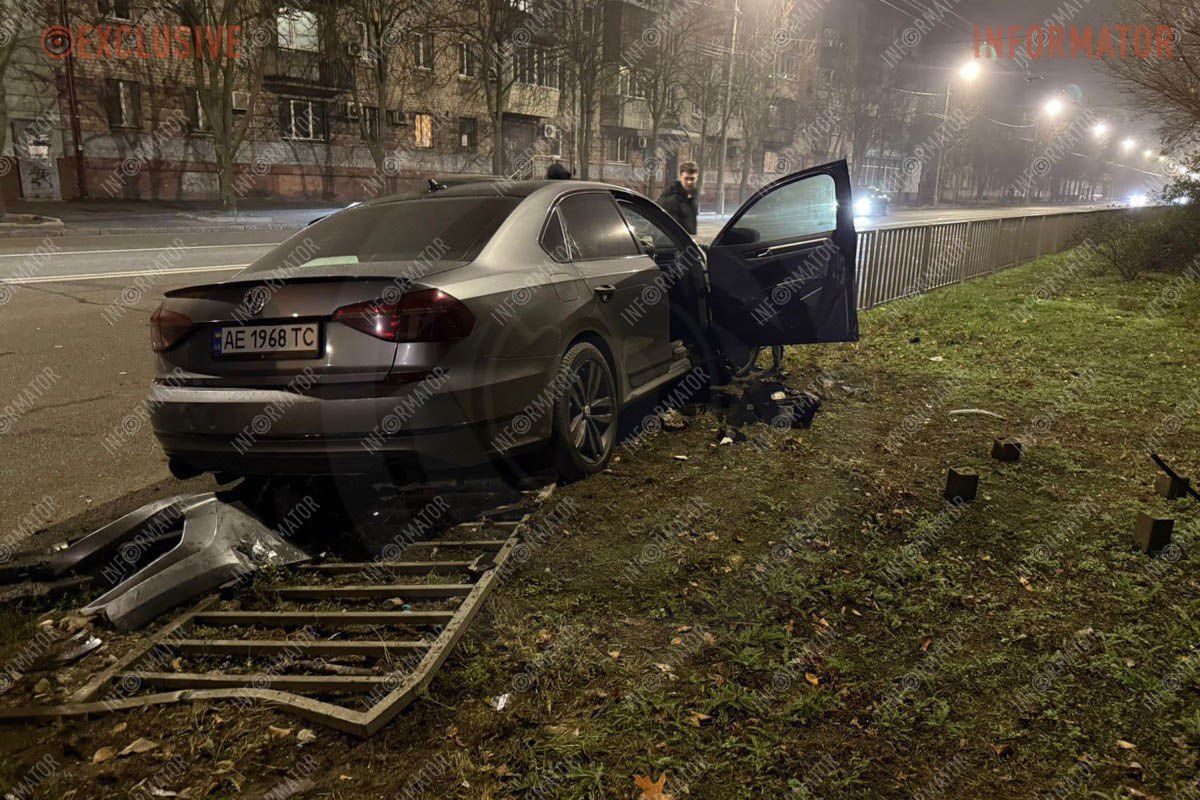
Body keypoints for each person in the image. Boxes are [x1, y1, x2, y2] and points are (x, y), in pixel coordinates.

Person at [657, 161, 699, 235]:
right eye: (686, 178)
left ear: (696, 178)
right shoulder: (672, 199)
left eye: (692, 179)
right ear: (680, 177)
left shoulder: (691, 196)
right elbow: (668, 230)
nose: (689, 182)